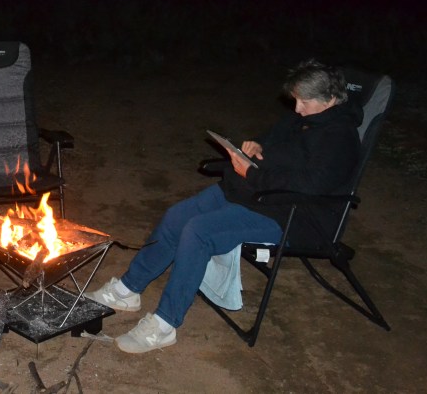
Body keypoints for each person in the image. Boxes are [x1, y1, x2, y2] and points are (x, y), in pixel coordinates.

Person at [85, 59, 362, 353]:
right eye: (295, 100)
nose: (297, 108)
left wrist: (252, 174)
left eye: (304, 102)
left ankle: (165, 324)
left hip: (290, 214)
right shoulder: (304, 119)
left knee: (199, 231)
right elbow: (273, 140)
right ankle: (128, 289)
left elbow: (310, 185)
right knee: (177, 216)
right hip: (253, 193)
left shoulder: (340, 138)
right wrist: (257, 145)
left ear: (330, 99)